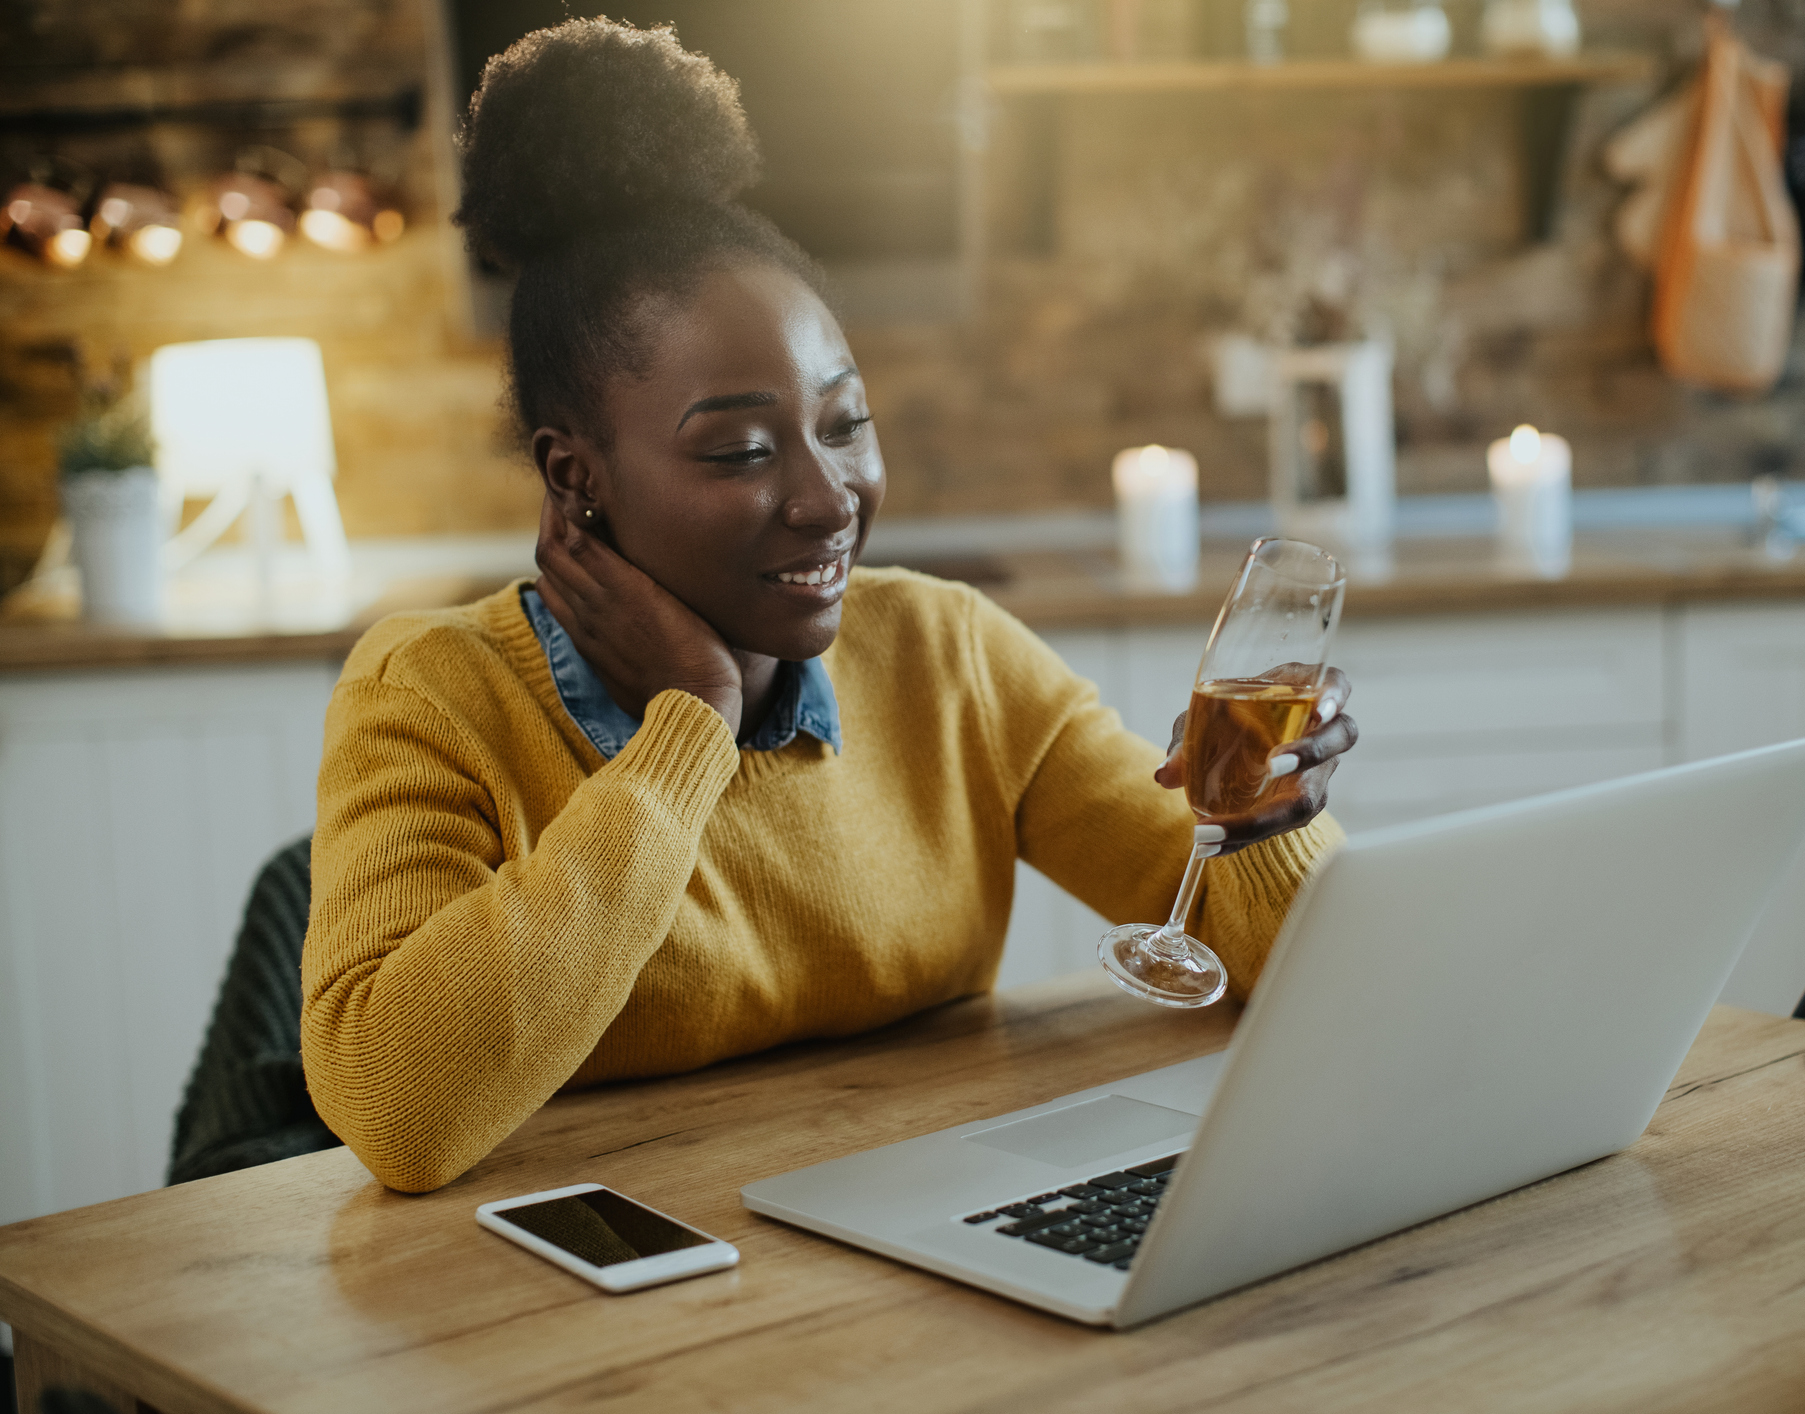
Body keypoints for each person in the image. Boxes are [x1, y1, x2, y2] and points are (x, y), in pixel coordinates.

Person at [300, 17, 1357, 1194]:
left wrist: (1261, 828)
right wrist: (685, 732)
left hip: (918, 1242)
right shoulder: (437, 694)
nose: (826, 496)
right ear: (574, 477)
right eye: (741, 450)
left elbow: (1301, 962)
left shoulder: (946, 654)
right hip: (592, 1309)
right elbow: (395, 1108)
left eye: (845, 423)